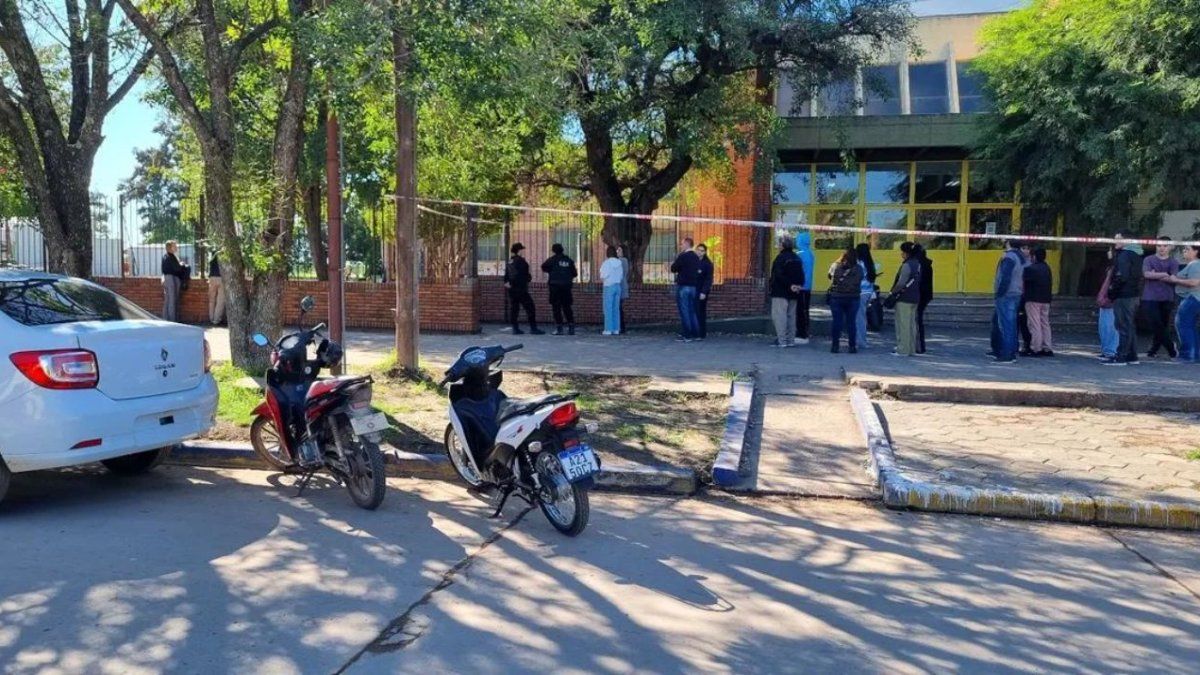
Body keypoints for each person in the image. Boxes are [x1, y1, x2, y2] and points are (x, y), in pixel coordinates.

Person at [1103, 234, 1143, 366]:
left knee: (1122, 325)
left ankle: (1121, 356)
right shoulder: (1137, 254)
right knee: (1129, 325)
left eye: (1118, 238)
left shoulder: (1124, 255)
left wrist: (1112, 291)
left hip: (1124, 295)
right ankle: (1132, 355)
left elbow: (1121, 276)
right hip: (1134, 294)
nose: (1115, 241)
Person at [1142, 236, 1180, 359]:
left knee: (1163, 325)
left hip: (1166, 297)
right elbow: (1146, 274)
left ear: (1169, 247)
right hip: (1149, 296)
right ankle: (1170, 347)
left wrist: (1155, 275)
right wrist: (1164, 274)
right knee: (1155, 323)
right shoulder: (1148, 259)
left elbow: (1173, 279)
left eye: (1164, 246)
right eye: (1159, 245)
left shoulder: (1173, 262)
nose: (1162, 248)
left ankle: (1153, 350)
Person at [989, 239, 1025, 363]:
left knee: (1006, 325)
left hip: (1007, 295)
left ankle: (1007, 354)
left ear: (1008, 243)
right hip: (1016, 293)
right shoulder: (1021, 257)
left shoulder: (1009, 257)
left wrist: (999, 293)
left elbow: (1005, 277)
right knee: (1011, 324)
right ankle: (1010, 349)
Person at [769, 234, 806, 348]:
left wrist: (789, 285)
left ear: (782, 245)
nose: (778, 246)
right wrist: (797, 285)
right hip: (794, 292)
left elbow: (778, 275)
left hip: (780, 291)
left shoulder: (780, 258)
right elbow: (801, 274)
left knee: (780, 316)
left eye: (779, 243)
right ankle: (790, 340)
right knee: (791, 316)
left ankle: (782, 340)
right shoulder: (797, 258)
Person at [827, 247, 864, 354]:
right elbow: (860, 279)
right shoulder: (859, 268)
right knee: (851, 322)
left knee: (837, 322)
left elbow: (830, 276)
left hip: (837, 297)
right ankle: (852, 346)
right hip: (853, 297)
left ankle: (835, 346)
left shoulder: (835, 265)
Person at [1168, 244, 1200, 363]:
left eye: (1187, 249)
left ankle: (1187, 355)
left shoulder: (1195, 265)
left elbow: (1194, 282)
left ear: (1196, 252)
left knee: (1183, 325)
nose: (1184, 251)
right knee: (1192, 327)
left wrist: (1175, 280)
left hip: (1192, 298)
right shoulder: (1193, 265)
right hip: (1194, 298)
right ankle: (1195, 355)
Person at [504, 243, 543, 335]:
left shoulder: (510, 261)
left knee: (514, 309)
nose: (523, 252)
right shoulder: (521, 261)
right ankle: (533, 328)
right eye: (522, 250)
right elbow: (525, 275)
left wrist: (509, 285)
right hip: (521, 289)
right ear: (519, 250)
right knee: (530, 307)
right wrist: (528, 278)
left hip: (511, 289)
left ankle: (515, 328)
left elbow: (506, 277)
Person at [890, 242, 921, 356]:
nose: (901, 254)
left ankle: (902, 349)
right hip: (915, 297)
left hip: (904, 298)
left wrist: (892, 292)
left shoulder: (906, 265)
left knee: (903, 324)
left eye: (902, 252)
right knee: (912, 325)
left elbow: (901, 282)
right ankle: (911, 348)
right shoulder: (918, 264)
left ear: (907, 253)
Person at [1023, 247, 1054, 356]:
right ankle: (1047, 347)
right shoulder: (1047, 268)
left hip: (1033, 299)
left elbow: (1025, 284)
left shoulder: (1031, 269)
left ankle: (1035, 347)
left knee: (1034, 324)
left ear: (1034, 257)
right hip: (1046, 299)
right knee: (1045, 323)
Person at [669, 238, 702, 342]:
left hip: (683, 286)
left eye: (682, 244)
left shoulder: (683, 256)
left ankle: (687, 335)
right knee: (692, 311)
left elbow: (673, 268)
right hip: (694, 287)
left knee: (684, 311)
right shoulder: (696, 257)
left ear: (687, 244)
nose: (681, 246)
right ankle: (696, 334)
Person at [541, 243, 578, 335]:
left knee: (556, 308)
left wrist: (552, 271)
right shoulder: (568, 260)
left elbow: (543, 267)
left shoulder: (552, 260)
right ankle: (571, 327)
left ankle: (559, 328)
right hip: (566, 287)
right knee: (567, 307)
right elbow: (575, 273)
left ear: (553, 251)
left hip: (555, 287)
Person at [793, 231, 815, 345]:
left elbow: (798, 271)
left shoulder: (799, 254)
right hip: (808, 286)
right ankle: (806, 331)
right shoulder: (811, 254)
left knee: (800, 311)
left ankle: (801, 333)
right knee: (805, 310)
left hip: (800, 287)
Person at [1096, 250, 1119, 360]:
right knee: (1104, 327)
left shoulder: (1116, 269)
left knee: (1110, 327)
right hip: (1105, 299)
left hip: (1110, 300)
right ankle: (1106, 350)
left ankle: (1111, 351)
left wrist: (1109, 297)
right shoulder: (1109, 268)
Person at [599, 246, 625, 336]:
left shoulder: (606, 263)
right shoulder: (619, 263)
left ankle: (608, 329)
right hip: (618, 286)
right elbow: (621, 276)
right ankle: (616, 329)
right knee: (616, 308)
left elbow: (603, 275)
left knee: (608, 308)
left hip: (608, 286)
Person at [854, 243, 876, 349]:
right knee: (862, 317)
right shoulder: (870, 263)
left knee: (859, 318)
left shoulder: (858, 264)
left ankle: (860, 341)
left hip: (860, 293)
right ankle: (862, 339)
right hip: (868, 293)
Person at [161, 241, 188, 322]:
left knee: (168, 300)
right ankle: (172, 321)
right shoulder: (170, 256)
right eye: (174, 246)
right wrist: (182, 264)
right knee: (172, 300)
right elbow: (177, 268)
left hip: (167, 278)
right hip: (171, 279)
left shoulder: (166, 256)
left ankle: (165, 319)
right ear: (170, 247)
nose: (176, 247)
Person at [915, 244, 934, 354]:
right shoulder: (927, 264)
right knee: (919, 319)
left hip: (920, 294)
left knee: (917, 320)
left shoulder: (920, 265)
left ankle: (919, 346)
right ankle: (920, 345)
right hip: (926, 295)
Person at [696, 243, 715, 340]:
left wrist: (704, 292)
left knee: (700, 312)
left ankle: (701, 333)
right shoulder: (693, 261)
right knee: (693, 311)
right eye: (698, 249)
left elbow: (709, 279)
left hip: (702, 292)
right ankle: (693, 331)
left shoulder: (708, 264)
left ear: (705, 252)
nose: (699, 252)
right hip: (693, 290)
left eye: (702, 250)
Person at [208, 252, 226, 325]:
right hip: (221, 277)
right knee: (220, 300)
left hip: (212, 277)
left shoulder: (213, 252)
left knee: (211, 300)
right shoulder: (225, 253)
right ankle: (216, 320)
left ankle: (211, 318)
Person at [617, 245, 631, 334]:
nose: (617, 251)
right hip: (622, 285)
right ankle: (621, 326)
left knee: (618, 307)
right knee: (619, 307)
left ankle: (621, 326)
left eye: (619, 250)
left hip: (621, 286)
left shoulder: (622, 261)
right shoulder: (624, 261)